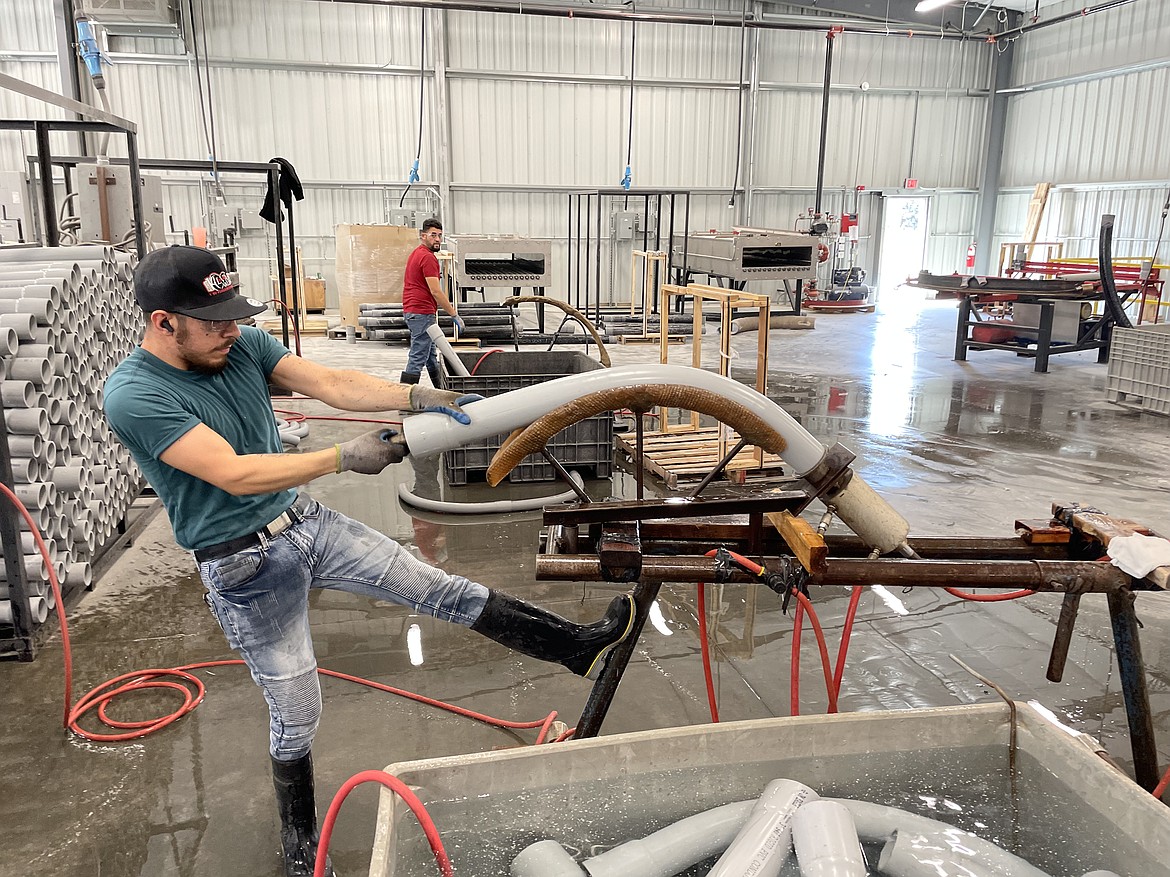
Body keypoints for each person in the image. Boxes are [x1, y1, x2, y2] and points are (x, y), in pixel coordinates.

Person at [102, 245, 635, 877]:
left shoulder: (240, 344)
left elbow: (326, 382)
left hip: (305, 524)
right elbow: (234, 473)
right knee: (297, 710)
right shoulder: (133, 394)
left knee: (437, 587)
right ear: (163, 321)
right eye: (212, 320)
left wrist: (413, 396)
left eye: (233, 315)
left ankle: (576, 648)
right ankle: (300, 848)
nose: (230, 330)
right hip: (243, 566)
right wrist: (340, 457)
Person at [401, 217, 463, 387]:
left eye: (439, 236)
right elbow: (435, 291)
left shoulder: (417, 253)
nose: (437, 239)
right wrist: (454, 314)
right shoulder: (428, 258)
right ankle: (404, 398)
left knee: (430, 357)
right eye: (433, 235)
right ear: (423, 236)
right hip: (421, 312)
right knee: (418, 356)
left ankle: (441, 391)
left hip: (414, 310)